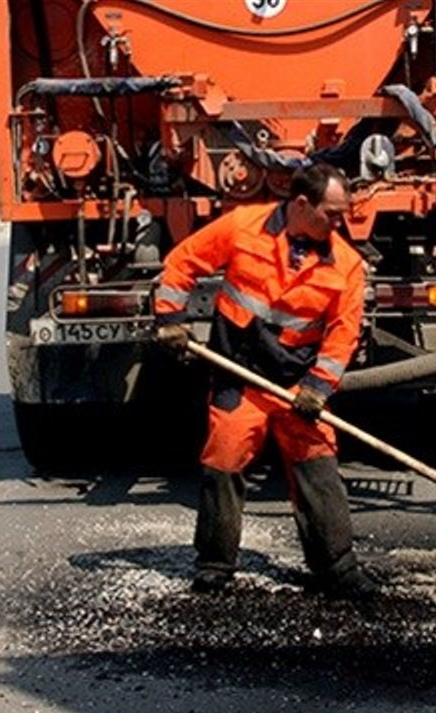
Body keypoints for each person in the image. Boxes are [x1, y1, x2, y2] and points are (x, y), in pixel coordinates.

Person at [154, 162, 378, 595]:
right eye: (331, 213)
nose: (340, 222)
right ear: (300, 204)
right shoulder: (243, 227)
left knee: (318, 466)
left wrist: (317, 388)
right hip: (240, 374)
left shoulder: (346, 266)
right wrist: (170, 318)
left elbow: (342, 334)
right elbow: (183, 262)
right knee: (223, 461)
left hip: (297, 384)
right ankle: (215, 564)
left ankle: (337, 567)